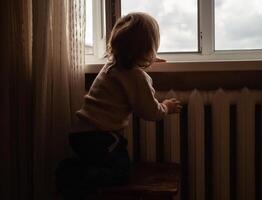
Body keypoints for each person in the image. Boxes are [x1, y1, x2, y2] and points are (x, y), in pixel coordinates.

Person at [56, 12, 182, 200]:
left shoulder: (111, 66)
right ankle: (74, 173)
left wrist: (148, 60)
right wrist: (166, 106)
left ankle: (79, 168)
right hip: (100, 137)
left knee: (108, 160)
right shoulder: (137, 77)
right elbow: (150, 111)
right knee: (122, 171)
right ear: (148, 48)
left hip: (81, 134)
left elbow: (128, 64)